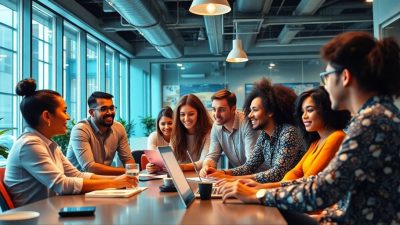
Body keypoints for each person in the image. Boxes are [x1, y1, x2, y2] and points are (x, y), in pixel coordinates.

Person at [218, 32, 400, 224]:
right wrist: (258, 189)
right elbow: (319, 181)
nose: (325, 85)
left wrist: (260, 194)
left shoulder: (371, 121)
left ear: (345, 77)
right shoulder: (377, 115)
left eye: (326, 76)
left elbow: (322, 191)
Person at [5, 79, 137, 207]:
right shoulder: (29, 145)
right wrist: (114, 182)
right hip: (36, 218)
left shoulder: (47, 144)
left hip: (50, 211)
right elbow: (61, 184)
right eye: (64, 111)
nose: (68, 117)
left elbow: (77, 175)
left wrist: (123, 179)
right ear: (47, 116)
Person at [229, 87, 350, 190]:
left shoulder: (336, 137)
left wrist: (261, 188)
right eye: (302, 111)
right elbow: (295, 173)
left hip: (316, 207)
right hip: (297, 197)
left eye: (310, 110)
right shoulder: (316, 141)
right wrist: (224, 175)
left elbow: (307, 180)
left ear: (327, 111)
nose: (304, 116)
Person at [209, 78, 305, 183]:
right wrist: (223, 173)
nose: (249, 115)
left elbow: (277, 174)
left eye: (255, 110)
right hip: (274, 189)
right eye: (250, 110)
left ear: (270, 111)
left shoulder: (289, 133)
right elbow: (249, 166)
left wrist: (230, 178)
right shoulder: (265, 135)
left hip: (292, 192)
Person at [67, 92, 135, 175]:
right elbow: (90, 167)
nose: (110, 112)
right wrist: (128, 171)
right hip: (79, 184)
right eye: (103, 109)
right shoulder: (80, 130)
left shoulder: (119, 128)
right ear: (92, 113)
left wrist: (132, 173)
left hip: (104, 181)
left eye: (112, 108)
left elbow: (127, 159)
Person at [199, 89, 260, 177]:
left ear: (233, 109)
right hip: (240, 177)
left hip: (261, 178)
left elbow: (251, 165)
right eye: (214, 109)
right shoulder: (216, 127)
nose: (216, 114)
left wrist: (224, 174)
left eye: (222, 110)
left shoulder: (247, 124)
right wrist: (206, 167)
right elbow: (212, 156)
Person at [170, 94, 213, 171]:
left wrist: (182, 167)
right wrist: (155, 166)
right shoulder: (176, 132)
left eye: (191, 114)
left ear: (199, 114)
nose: (186, 119)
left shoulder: (209, 132)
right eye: (182, 114)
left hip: (202, 178)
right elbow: (169, 159)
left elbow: (203, 162)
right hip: (180, 177)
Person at [146, 106, 173, 173]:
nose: (166, 127)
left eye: (170, 123)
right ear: (158, 125)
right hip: (159, 174)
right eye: (163, 124)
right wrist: (150, 167)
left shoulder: (179, 137)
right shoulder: (153, 136)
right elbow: (152, 160)